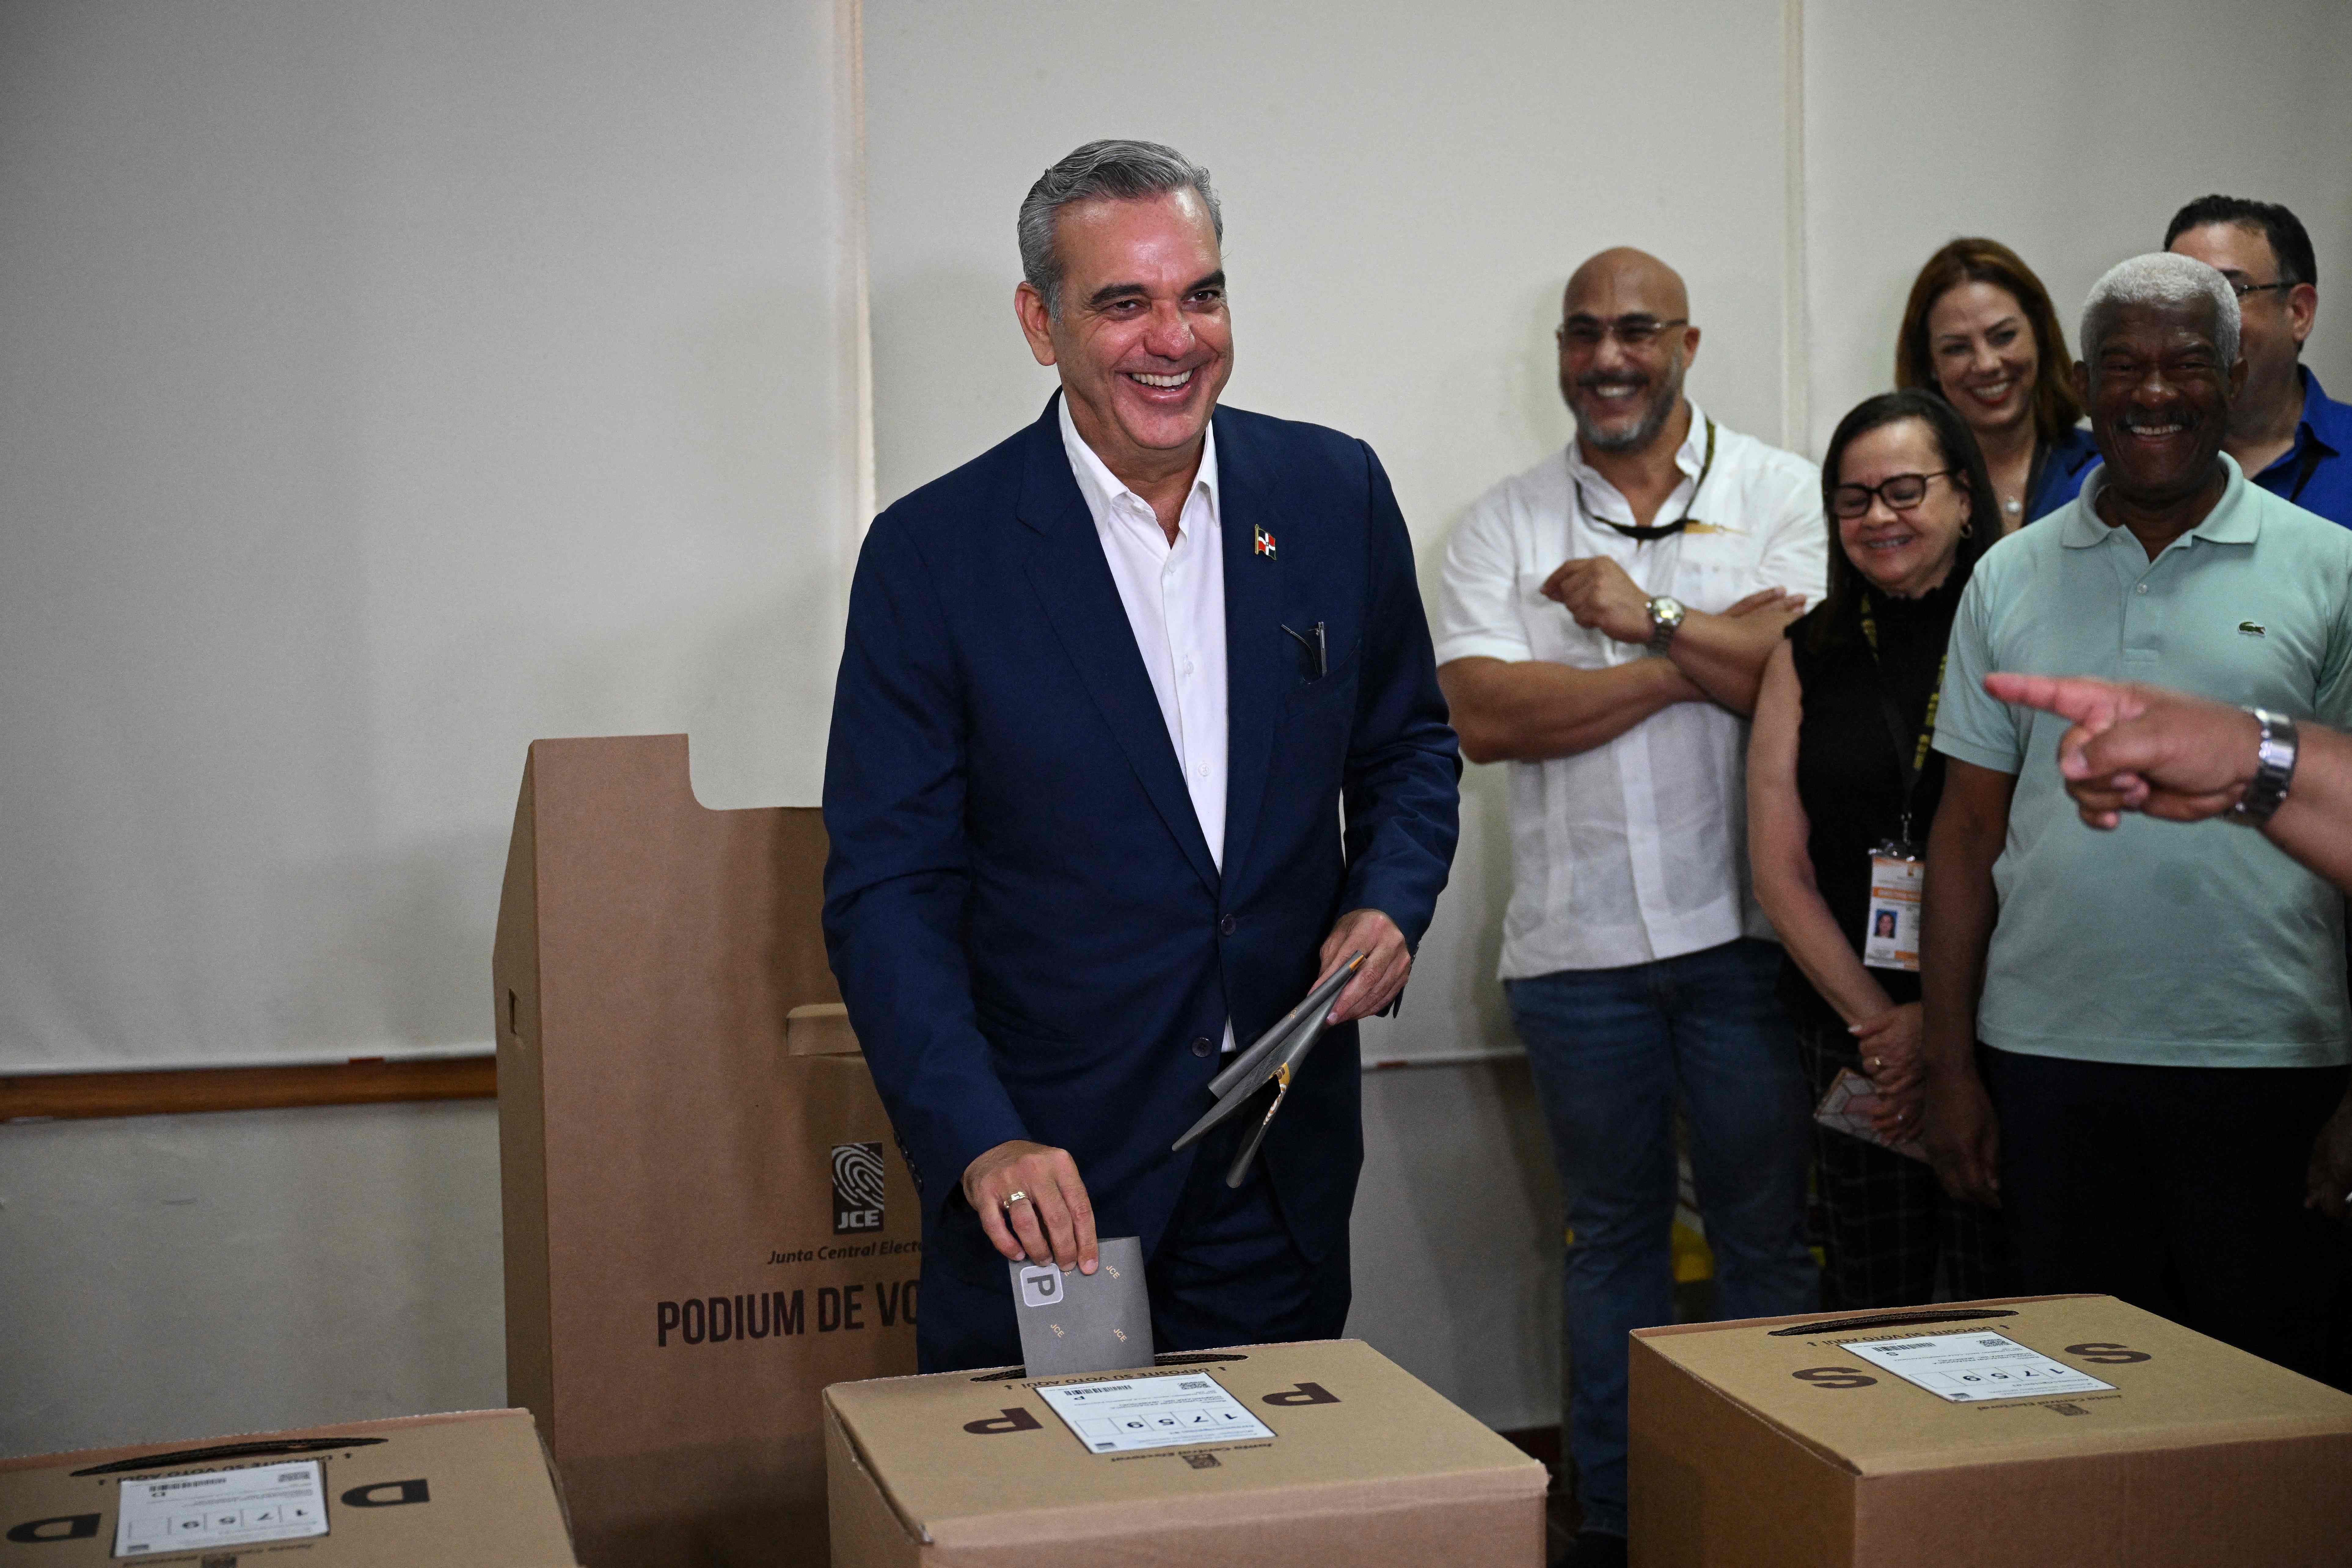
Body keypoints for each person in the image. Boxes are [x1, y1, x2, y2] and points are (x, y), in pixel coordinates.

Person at [822, 140, 1460, 1373]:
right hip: (1049, 1179)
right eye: (1124, 302)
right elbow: (886, 892)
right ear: (1038, 320)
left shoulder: (1332, 492)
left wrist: (1389, 898)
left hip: (1273, 1161)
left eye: (1201, 293)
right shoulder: (933, 556)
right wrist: (978, 1138)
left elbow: (1410, 748)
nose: (1174, 339)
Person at [1435, 247, 1824, 1568]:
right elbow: (1486, 715)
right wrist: (1696, 653)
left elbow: (1811, 672)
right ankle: (1612, 1518)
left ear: (1689, 343)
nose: (1608, 357)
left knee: (1766, 1238)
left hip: (1747, 940)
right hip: (1574, 950)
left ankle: (1786, 1503)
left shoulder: (1780, 490)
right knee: (1609, 1245)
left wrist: (1641, 614)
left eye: (1636, 331)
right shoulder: (1500, 525)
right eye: (1583, 333)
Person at [1920, 253, 2352, 1382]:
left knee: (2264, 1405)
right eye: (2123, 366)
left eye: (2182, 365)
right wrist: (1952, 1065)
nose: (2152, 392)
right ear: (2083, 378)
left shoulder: (2333, 571)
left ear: (2236, 368)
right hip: (2047, 1061)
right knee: (2071, 1401)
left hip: (2272, 1058)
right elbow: (1965, 836)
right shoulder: (2008, 576)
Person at [1747, 390, 2010, 1310]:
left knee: (2003, 1291)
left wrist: (1937, 1024)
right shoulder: (1803, 650)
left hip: (1998, 1024)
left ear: (1964, 496)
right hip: (1851, 1036)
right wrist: (1882, 1027)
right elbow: (1777, 867)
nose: (1877, 518)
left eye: (1903, 490)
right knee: (1877, 1299)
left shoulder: (2015, 630)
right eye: (1853, 500)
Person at [2166, 196, 2352, 526]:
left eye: (2230, 292)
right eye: (2180, 294)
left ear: (2298, 313)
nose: (2195, 316)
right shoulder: (2126, 465)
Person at [1896, 239, 2097, 530]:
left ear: (2040, 333)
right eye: (1957, 348)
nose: (1987, 364)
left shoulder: (2106, 474)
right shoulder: (1903, 494)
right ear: (1929, 364)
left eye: (2003, 336)